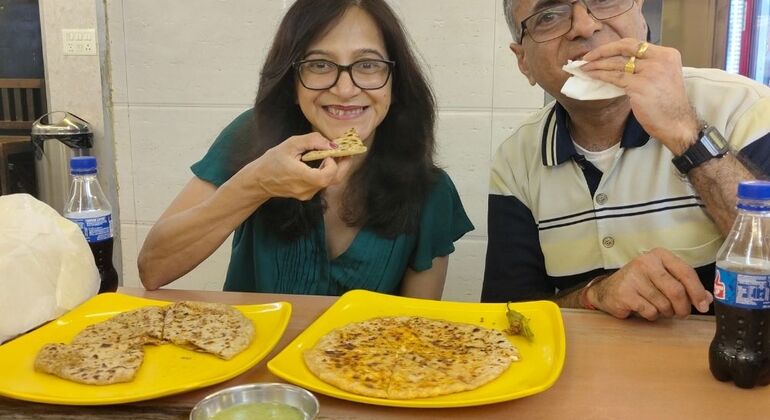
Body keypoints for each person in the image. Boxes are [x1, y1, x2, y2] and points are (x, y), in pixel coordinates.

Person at [138, 0, 474, 299]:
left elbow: (414, 333)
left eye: (368, 65)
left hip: (363, 369)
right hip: (252, 364)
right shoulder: (252, 136)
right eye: (320, 64)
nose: (345, 89)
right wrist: (256, 184)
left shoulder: (430, 192)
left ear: (395, 83)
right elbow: (154, 268)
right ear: (292, 82)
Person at [483, 0, 770, 320]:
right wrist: (595, 295)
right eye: (549, 16)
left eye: (604, 1)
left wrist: (686, 133)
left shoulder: (745, 107)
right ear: (524, 63)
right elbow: (508, 313)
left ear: (640, 14)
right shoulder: (516, 159)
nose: (584, 26)